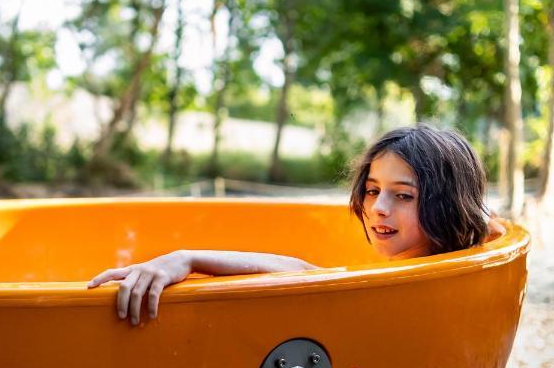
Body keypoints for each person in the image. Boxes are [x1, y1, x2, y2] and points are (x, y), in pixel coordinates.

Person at [88, 123, 497, 325]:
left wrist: (189, 257)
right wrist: (188, 258)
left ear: (447, 203)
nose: (378, 209)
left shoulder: (418, 280)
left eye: (403, 195)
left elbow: (308, 275)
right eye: (372, 191)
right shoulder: (443, 260)